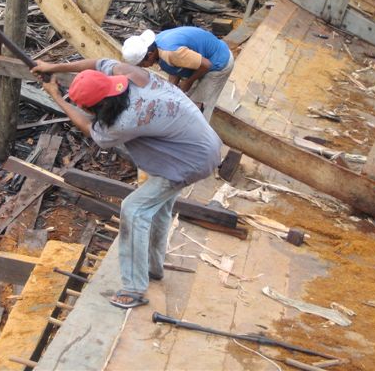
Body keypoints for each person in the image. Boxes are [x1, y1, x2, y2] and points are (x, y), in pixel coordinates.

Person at [32, 57, 222, 309]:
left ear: (95, 107)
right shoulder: (130, 74)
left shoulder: (126, 121)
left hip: (191, 161)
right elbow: (97, 62)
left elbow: (91, 129)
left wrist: (56, 96)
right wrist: (52, 66)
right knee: (158, 209)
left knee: (134, 209)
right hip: (201, 143)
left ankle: (134, 288)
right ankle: (153, 268)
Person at [121, 26, 234, 121]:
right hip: (202, 62)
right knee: (184, 97)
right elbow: (175, 67)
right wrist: (172, 89)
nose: (142, 67)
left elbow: (206, 65)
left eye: (141, 64)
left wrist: (188, 82)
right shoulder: (157, 46)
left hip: (218, 63)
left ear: (150, 55)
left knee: (197, 108)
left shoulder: (170, 53)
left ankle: (199, 139)